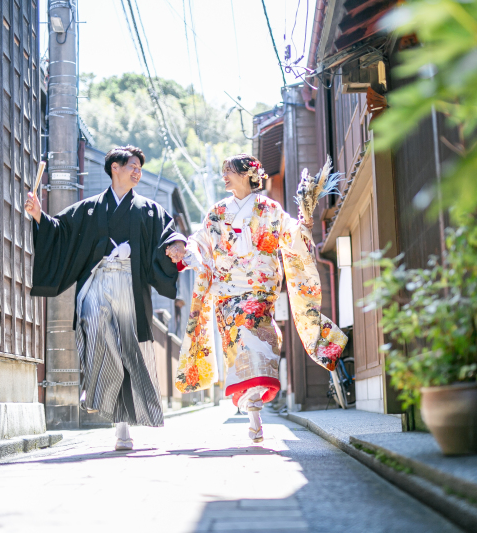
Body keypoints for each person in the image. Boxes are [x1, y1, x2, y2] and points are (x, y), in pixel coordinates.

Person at [175, 154, 347, 443]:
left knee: (259, 335)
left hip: (260, 286)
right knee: (238, 342)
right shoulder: (217, 212)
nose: (224, 176)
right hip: (227, 291)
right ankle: (253, 405)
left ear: (247, 174)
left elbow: (291, 233)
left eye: (228, 170)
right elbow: (201, 240)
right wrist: (186, 250)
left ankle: (254, 400)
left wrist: (303, 221)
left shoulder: (269, 208)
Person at [25, 145, 187, 451]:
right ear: (115, 167)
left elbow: (169, 232)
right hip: (96, 282)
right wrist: (38, 215)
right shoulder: (89, 209)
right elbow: (59, 231)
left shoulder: (149, 210)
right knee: (94, 330)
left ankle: (123, 427)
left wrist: (175, 244)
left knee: (127, 350)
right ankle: (97, 385)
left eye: (139, 168)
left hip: (129, 284)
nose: (138, 172)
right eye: (133, 167)